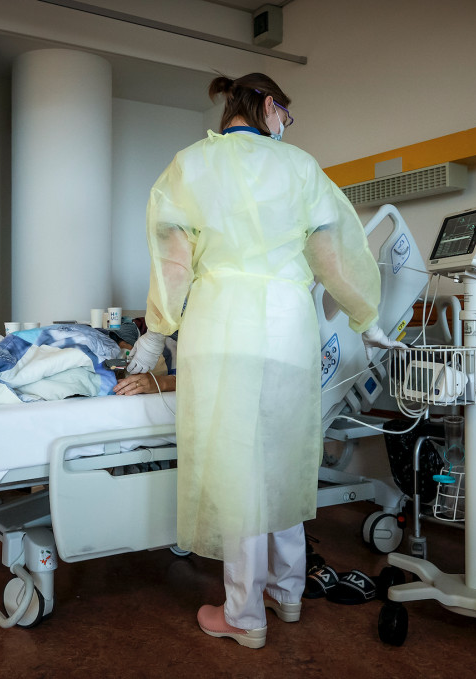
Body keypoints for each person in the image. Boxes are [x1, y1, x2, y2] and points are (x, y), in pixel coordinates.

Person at [126, 73, 397, 649]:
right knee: (283, 460)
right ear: (270, 106)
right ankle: (287, 591)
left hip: (223, 327)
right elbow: (333, 258)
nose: (285, 126)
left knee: (239, 472)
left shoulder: (191, 166)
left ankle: (244, 614)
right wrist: (367, 320)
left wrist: (154, 338)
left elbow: (173, 264)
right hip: (287, 331)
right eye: (284, 115)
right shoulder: (300, 167)